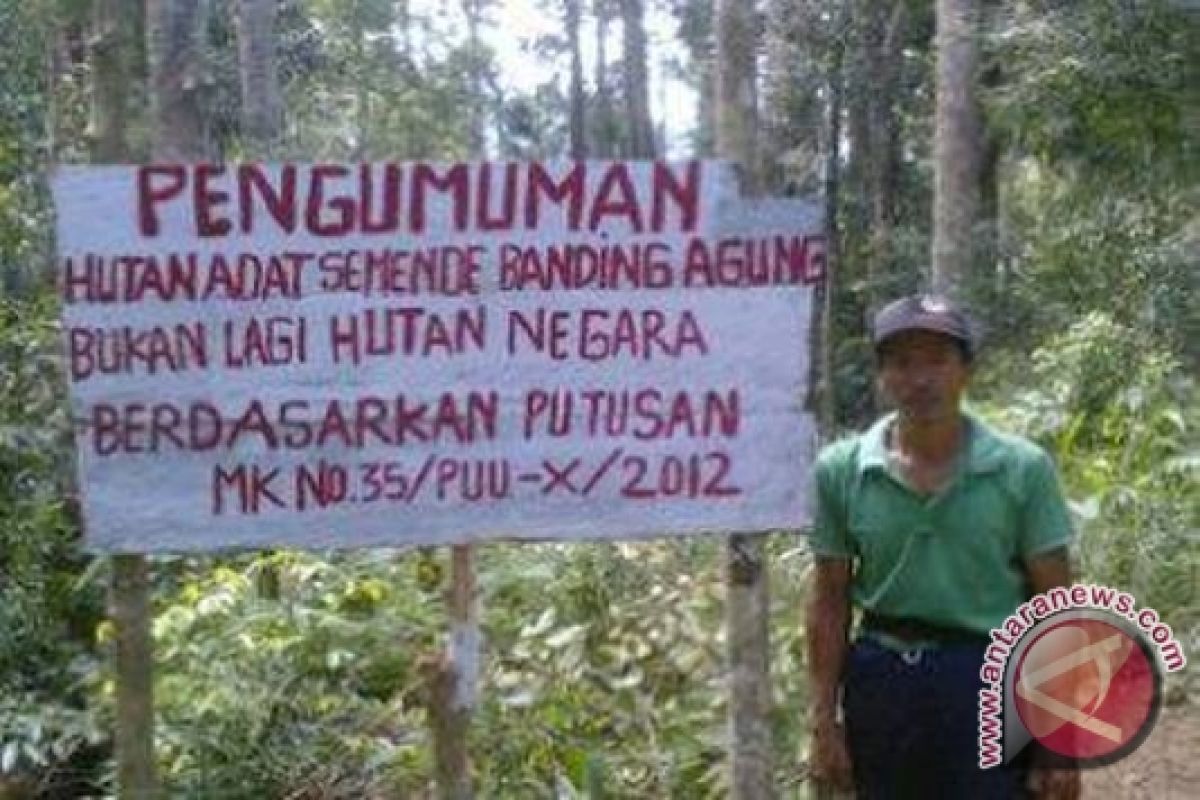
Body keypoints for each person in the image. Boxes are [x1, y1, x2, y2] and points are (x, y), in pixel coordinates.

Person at [806, 293, 1082, 799]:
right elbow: (829, 598)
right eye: (903, 363)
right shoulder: (842, 470)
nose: (921, 379)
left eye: (938, 360)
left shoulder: (1021, 469)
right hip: (883, 678)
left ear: (965, 371)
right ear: (882, 375)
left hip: (988, 675)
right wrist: (824, 720)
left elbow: (1053, 606)